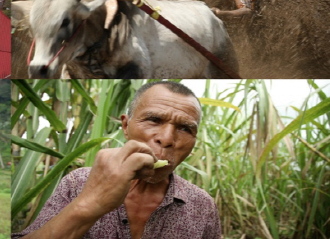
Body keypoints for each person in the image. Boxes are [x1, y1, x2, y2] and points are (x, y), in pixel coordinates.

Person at [12, 81, 221, 239]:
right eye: (153, 120)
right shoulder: (78, 183)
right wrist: (91, 204)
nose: (166, 139)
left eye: (185, 128)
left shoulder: (202, 206)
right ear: (125, 126)